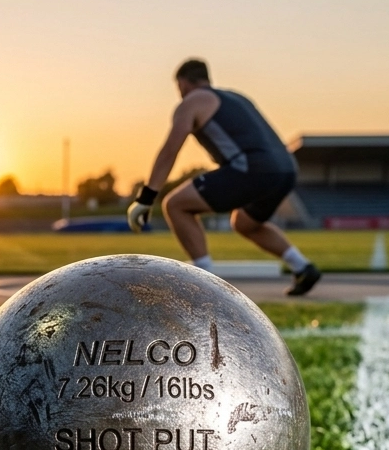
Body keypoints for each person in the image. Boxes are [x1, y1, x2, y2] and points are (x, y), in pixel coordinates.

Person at [128, 59, 321, 296]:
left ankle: (205, 281)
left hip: (251, 168)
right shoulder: (237, 97)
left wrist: (146, 197)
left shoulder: (192, 101)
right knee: (244, 222)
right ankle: (303, 267)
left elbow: (170, 150)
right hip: (286, 169)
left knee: (175, 204)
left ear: (183, 83)